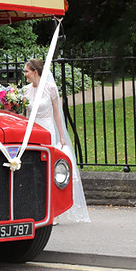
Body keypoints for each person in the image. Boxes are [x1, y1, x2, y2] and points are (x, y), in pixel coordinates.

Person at [22, 58, 90, 223]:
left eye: (26, 71)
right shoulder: (24, 90)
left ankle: (54, 211)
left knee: (49, 170)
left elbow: (57, 114)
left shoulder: (51, 89)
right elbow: (24, 115)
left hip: (47, 130)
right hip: (31, 131)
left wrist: (61, 136)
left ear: (35, 72)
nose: (24, 75)